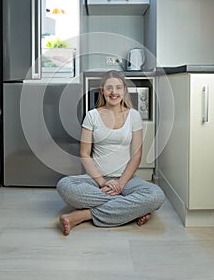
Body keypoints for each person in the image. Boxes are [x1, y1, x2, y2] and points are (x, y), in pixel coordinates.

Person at [57, 70, 165, 235]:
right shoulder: (92, 116)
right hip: (96, 180)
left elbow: (137, 155)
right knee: (65, 186)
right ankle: (132, 208)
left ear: (124, 91)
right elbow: (84, 154)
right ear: (102, 91)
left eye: (118, 88)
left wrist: (120, 184)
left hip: (126, 180)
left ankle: (84, 215)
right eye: (109, 88)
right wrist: (102, 183)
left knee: (156, 195)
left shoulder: (134, 116)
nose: (114, 92)